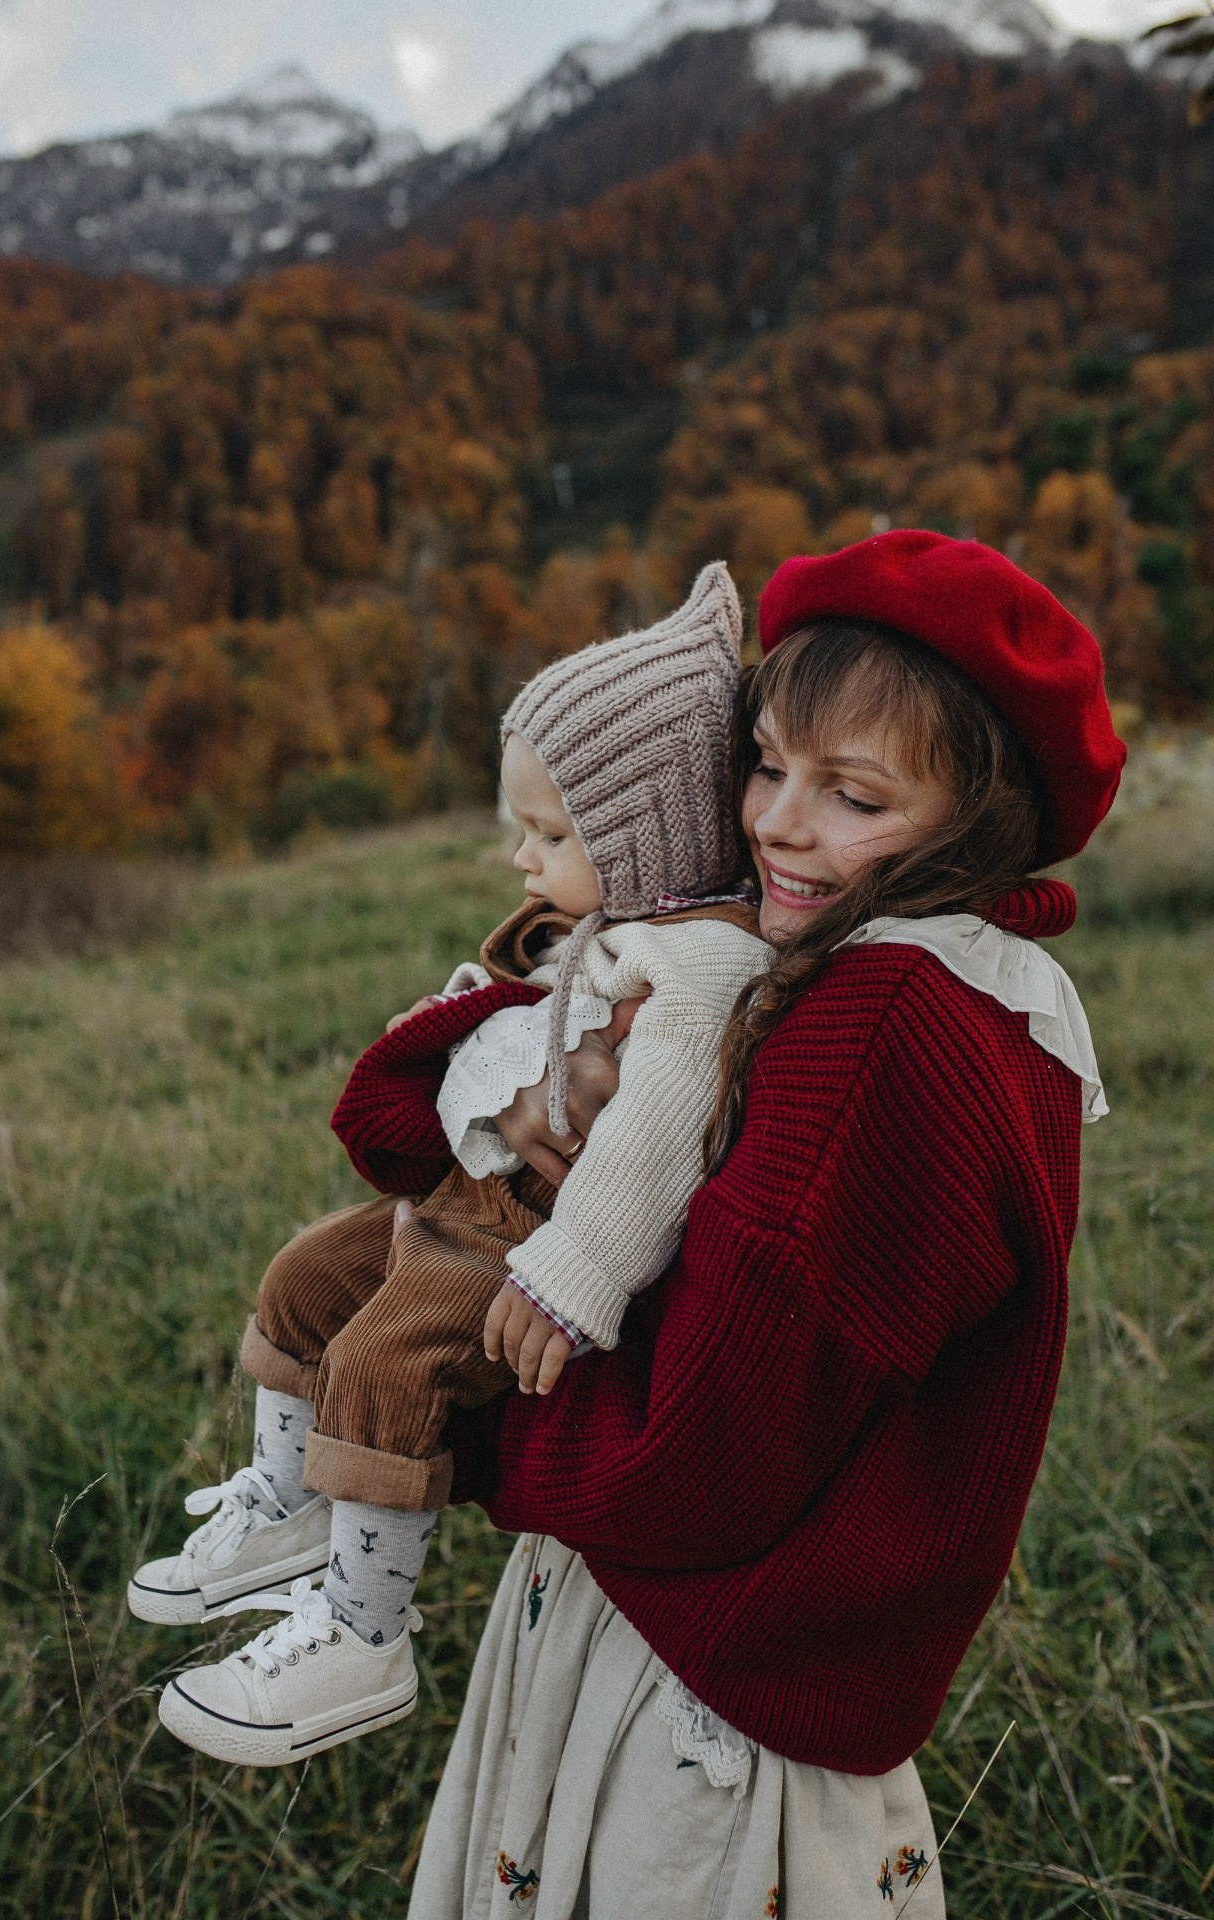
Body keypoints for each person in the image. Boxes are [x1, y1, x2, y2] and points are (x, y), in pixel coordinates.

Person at [336, 531, 1125, 1918]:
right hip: (768, 1663)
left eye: (855, 795)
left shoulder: (880, 1029)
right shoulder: (979, 998)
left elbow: (694, 1458)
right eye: (768, 764)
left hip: (693, 1693)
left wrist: (443, 1410)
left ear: (979, 818)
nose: (775, 823)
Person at [129, 563, 776, 1767]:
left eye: (546, 834)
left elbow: (657, 1128)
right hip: (459, 1200)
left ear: (642, 832)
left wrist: (575, 1272)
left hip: (528, 1235)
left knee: (385, 1351)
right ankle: (287, 1505)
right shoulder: (605, 929)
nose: (521, 861)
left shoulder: (698, 967)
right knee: (308, 1278)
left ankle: (361, 1636)